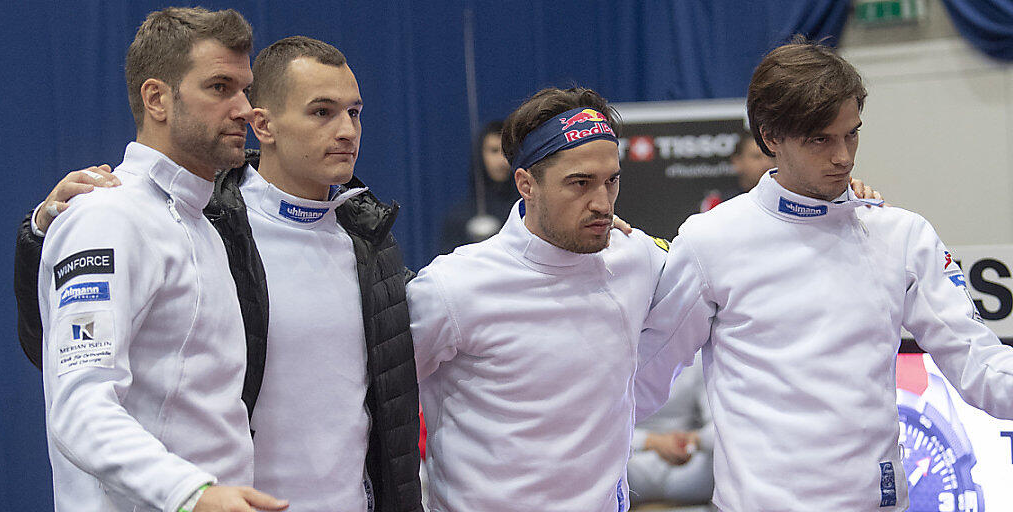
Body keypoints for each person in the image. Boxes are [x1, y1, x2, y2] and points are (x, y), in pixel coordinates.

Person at [16, 35, 422, 512]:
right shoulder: (206, 222)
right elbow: (59, 355)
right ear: (264, 125)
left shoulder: (371, 242)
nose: (347, 130)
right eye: (322, 111)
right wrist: (43, 232)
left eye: (354, 113)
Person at [637, 36, 1013, 511]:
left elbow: (980, 366)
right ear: (770, 137)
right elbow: (640, 381)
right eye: (820, 139)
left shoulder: (900, 235)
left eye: (851, 133)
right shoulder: (710, 240)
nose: (843, 156)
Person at [28, 7, 288, 512]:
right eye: (219, 88)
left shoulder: (203, 227)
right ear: (157, 99)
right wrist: (192, 493)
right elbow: (80, 407)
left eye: (245, 89)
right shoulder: (107, 216)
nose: (244, 110)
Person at [407, 87, 686, 511]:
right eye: (579, 184)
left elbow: (714, 286)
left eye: (611, 181)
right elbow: (369, 400)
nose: (601, 203)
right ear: (526, 184)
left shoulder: (637, 256)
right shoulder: (453, 287)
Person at [627, 353, 715, 507]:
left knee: (722, 459)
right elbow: (601, 431)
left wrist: (695, 440)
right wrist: (651, 441)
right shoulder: (614, 356)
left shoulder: (698, 357)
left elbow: (720, 426)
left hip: (688, 464)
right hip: (632, 460)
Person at [438, 120, 520, 253]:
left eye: (507, 152)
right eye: (494, 151)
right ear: (480, 155)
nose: (502, 161)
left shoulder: (526, 211)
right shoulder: (458, 218)